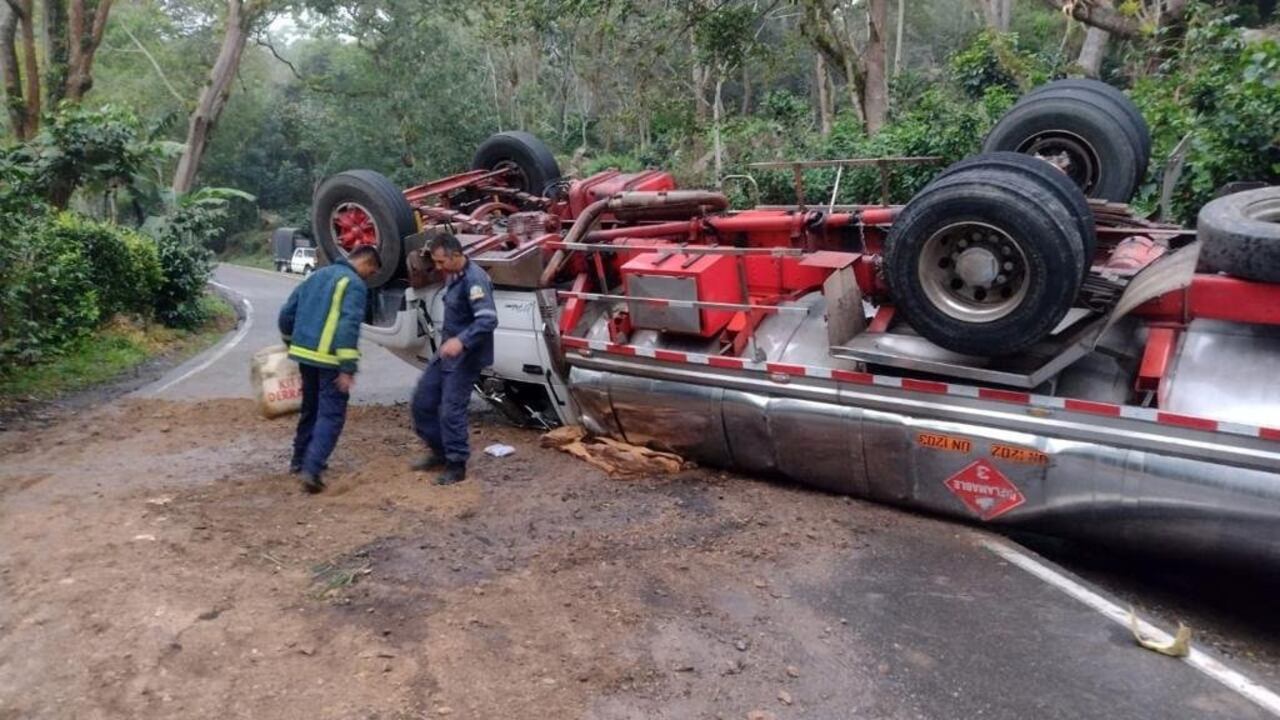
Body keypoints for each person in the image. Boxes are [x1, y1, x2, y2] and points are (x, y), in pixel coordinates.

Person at [278, 245, 381, 494]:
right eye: (372, 272)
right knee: (331, 415)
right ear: (366, 264)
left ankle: (299, 460)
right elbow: (348, 326)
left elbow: (286, 314)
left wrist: (291, 342)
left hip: (305, 357)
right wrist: (347, 368)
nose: (369, 277)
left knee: (310, 410)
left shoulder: (317, 276)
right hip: (330, 361)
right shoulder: (354, 284)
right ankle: (311, 470)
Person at [410, 233, 498, 485]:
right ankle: (440, 453)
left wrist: (461, 341)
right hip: (447, 353)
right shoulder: (454, 275)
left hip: (466, 355)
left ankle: (456, 464)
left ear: (456, 255)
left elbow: (488, 319)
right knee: (422, 402)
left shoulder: (475, 280)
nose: (438, 268)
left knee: (451, 411)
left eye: (441, 262)